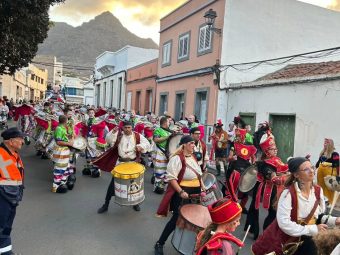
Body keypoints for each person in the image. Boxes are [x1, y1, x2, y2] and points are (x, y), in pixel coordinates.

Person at [252, 157, 340, 255]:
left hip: (310, 242)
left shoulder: (318, 191)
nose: (311, 171)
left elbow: (318, 217)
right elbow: (284, 224)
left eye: (312, 167)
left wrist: (334, 220)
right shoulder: (288, 194)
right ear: (296, 175)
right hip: (290, 242)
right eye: (306, 169)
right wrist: (313, 229)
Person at [154, 135, 204, 255]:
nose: (194, 145)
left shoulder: (192, 157)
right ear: (184, 145)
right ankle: (159, 243)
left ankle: (190, 247)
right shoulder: (176, 159)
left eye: (194, 143)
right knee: (176, 219)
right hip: (183, 192)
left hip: (195, 193)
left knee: (194, 220)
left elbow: (199, 174)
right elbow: (172, 178)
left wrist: (203, 188)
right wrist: (181, 192)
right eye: (191, 143)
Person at [95, 120, 150, 213]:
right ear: (123, 128)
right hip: (120, 164)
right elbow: (108, 140)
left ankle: (135, 203)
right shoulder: (118, 135)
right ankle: (106, 204)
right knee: (113, 184)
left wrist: (140, 146)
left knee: (134, 184)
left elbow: (147, 143)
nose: (127, 129)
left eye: (129, 127)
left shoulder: (137, 135)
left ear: (132, 128)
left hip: (133, 164)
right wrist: (112, 132)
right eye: (126, 127)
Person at [245, 131, 289, 240]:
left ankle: (270, 234)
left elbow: (284, 169)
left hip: (278, 189)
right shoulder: (264, 164)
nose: (275, 151)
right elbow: (273, 178)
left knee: (276, 213)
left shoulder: (277, 159)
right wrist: (286, 177)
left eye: (275, 149)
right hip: (269, 190)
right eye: (273, 149)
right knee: (273, 213)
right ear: (267, 151)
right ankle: (266, 235)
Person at [0, 127, 26, 255]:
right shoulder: (1, 154)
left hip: (11, 197)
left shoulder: (14, 154)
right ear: (10, 141)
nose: (23, 141)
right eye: (20, 139)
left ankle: (5, 251)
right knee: (2, 226)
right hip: (3, 197)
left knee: (6, 227)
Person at [52, 115, 74, 193]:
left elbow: (66, 137)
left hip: (65, 151)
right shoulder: (59, 128)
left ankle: (62, 182)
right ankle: (56, 185)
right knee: (60, 168)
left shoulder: (63, 128)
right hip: (60, 151)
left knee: (66, 167)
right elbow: (58, 141)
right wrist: (69, 143)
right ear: (65, 121)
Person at [152, 116, 173, 194]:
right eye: (168, 122)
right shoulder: (158, 130)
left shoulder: (169, 131)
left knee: (167, 170)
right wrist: (168, 137)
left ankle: (165, 187)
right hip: (160, 153)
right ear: (164, 123)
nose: (169, 123)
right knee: (159, 170)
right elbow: (156, 140)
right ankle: (157, 186)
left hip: (169, 153)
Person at [316, 138, 339, 205]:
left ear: (330, 144)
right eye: (324, 143)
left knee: (329, 188)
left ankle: (330, 202)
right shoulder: (322, 153)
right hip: (320, 173)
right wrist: (313, 168)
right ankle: (322, 201)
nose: (324, 144)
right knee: (320, 187)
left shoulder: (334, 154)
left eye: (326, 143)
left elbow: (337, 164)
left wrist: (327, 164)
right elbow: (318, 163)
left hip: (329, 173)